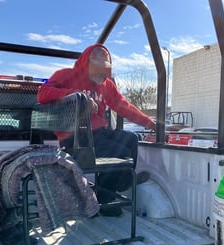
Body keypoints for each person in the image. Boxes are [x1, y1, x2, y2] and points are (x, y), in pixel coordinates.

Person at [37, 44, 156, 205]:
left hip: (97, 133)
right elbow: (43, 94)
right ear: (86, 63)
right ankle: (107, 199)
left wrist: (149, 123)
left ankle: (122, 183)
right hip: (73, 138)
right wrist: (79, 97)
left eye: (104, 67)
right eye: (96, 66)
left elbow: (123, 106)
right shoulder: (66, 75)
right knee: (119, 151)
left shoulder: (106, 85)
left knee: (131, 139)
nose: (100, 71)